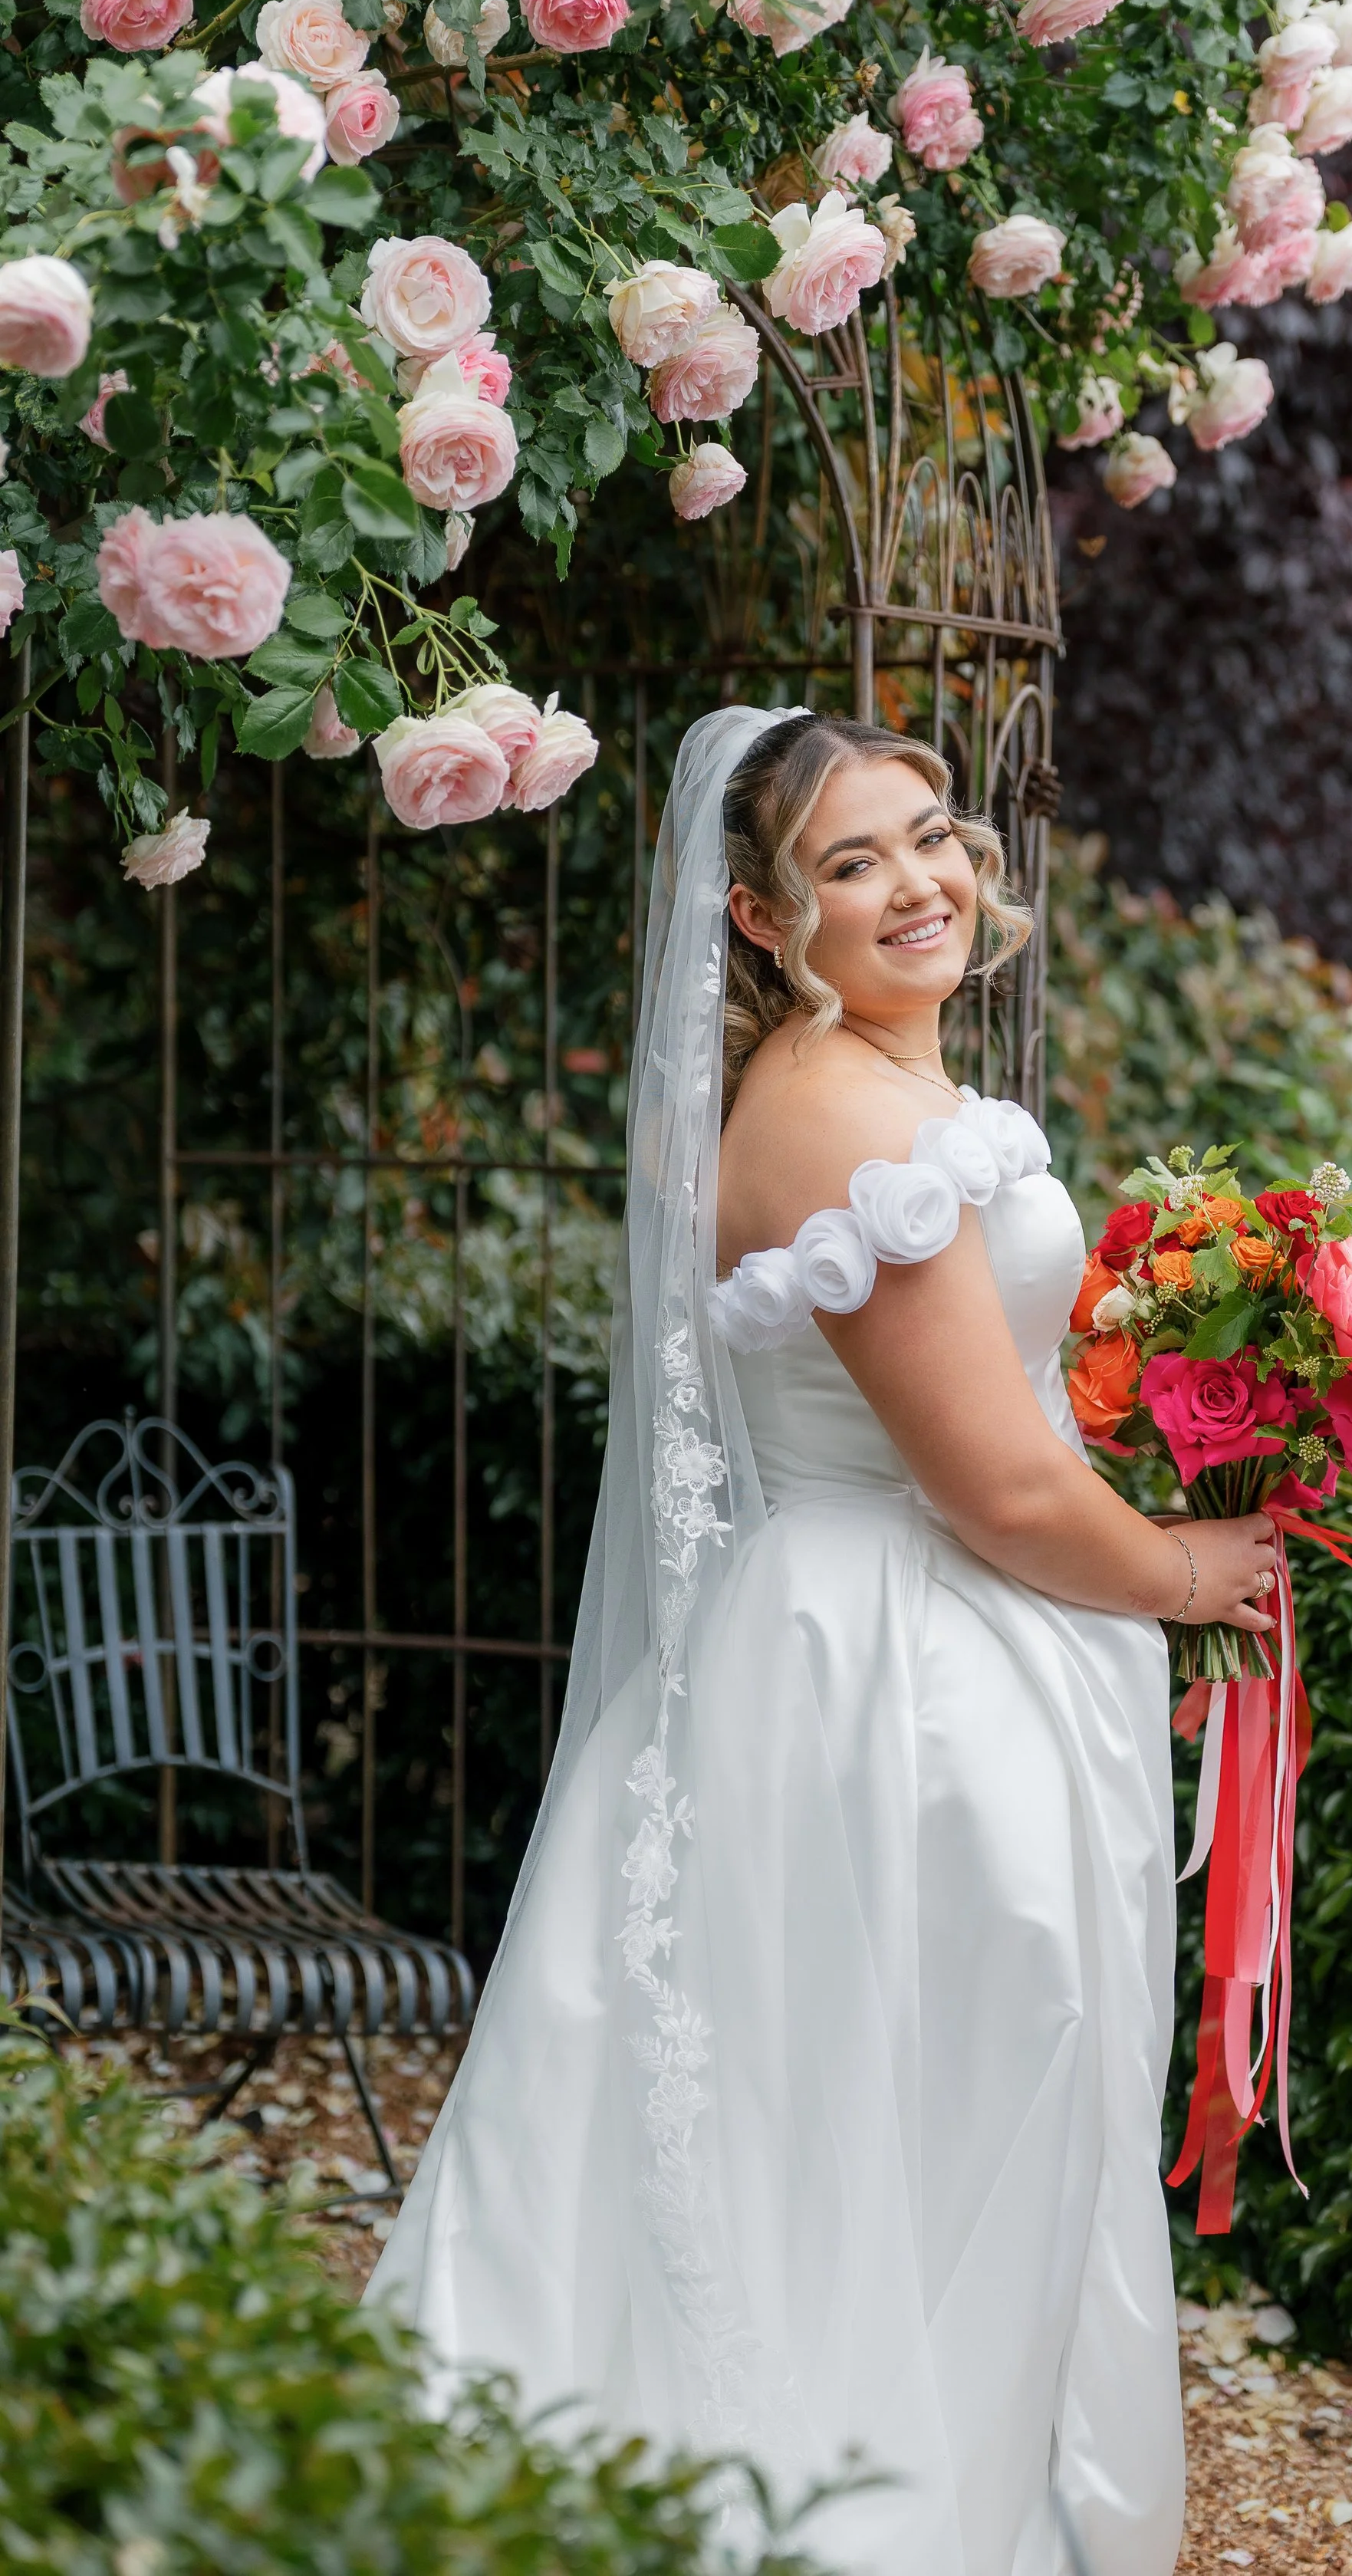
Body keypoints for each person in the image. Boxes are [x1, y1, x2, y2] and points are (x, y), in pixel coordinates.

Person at [367, 706, 1277, 2576]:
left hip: (874, 1646)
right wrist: (1200, 1575)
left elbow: (1008, 1412)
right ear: (768, 924)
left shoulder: (853, 1086)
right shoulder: (852, 1126)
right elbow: (999, 1496)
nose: (918, 883)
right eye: (849, 864)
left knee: (868, 2114)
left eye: (929, 834)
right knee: (947, 2115)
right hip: (907, 1686)